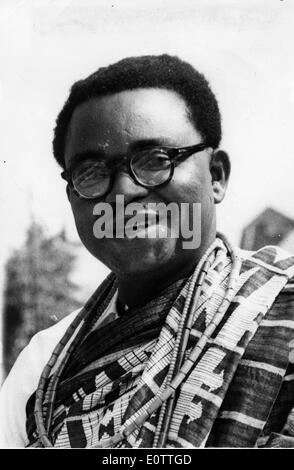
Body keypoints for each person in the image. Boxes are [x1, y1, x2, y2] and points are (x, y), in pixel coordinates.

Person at [1, 54, 294, 449]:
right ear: (72, 197)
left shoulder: (284, 314)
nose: (124, 193)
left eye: (157, 160)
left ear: (217, 177)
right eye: (91, 172)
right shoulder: (43, 366)